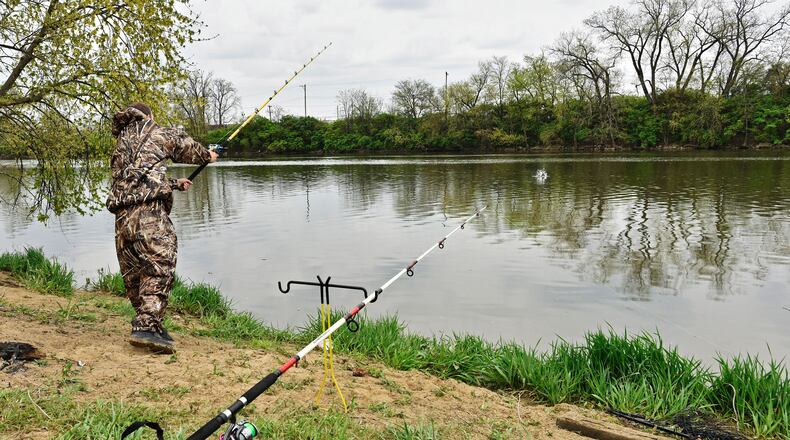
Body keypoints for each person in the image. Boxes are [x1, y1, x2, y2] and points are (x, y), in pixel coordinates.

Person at [106, 103, 218, 354]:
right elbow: (182, 144)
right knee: (159, 264)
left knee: (134, 272)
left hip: (123, 218)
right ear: (148, 115)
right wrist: (207, 156)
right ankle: (146, 326)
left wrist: (173, 184)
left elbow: (136, 179)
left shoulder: (123, 141)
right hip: (149, 214)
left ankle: (148, 323)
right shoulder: (154, 130)